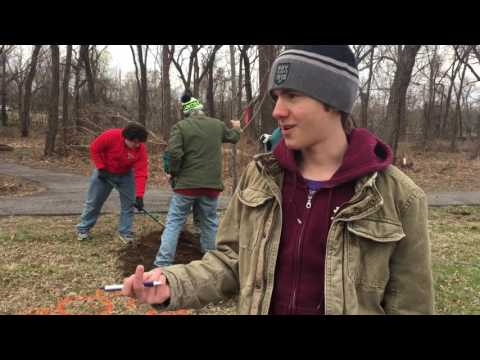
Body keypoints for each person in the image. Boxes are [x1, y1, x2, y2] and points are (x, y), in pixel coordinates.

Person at [122, 45, 434, 315]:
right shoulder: (260, 177)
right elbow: (231, 261)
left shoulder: (398, 197)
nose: (277, 111)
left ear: (334, 101)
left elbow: (410, 304)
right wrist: (172, 284)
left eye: (292, 96)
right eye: (276, 96)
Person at [152, 93, 241, 267]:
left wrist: (172, 172)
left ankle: (162, 263)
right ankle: (211, 262)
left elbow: (174, 153)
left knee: (174, 222)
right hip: (211, 186)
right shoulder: (217, 125)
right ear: (201, 110)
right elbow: (234, 137)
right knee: (209, 222)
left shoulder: (181, 127)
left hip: (186, 185)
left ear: (187, 113)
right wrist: (237, 127)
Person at [76, 123, 149, 244]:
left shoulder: (140, 150)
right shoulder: (111, 136)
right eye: (134, 142)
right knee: (94, 202)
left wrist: (139, 195)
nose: (137, 145)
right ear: (126, 138)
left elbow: (141, 172)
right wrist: (101, 168)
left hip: (126, 174)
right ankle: (83, 229)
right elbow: (95, 148)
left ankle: (126, 232)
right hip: (105, 173)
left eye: (139, 142)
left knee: (129, 205)